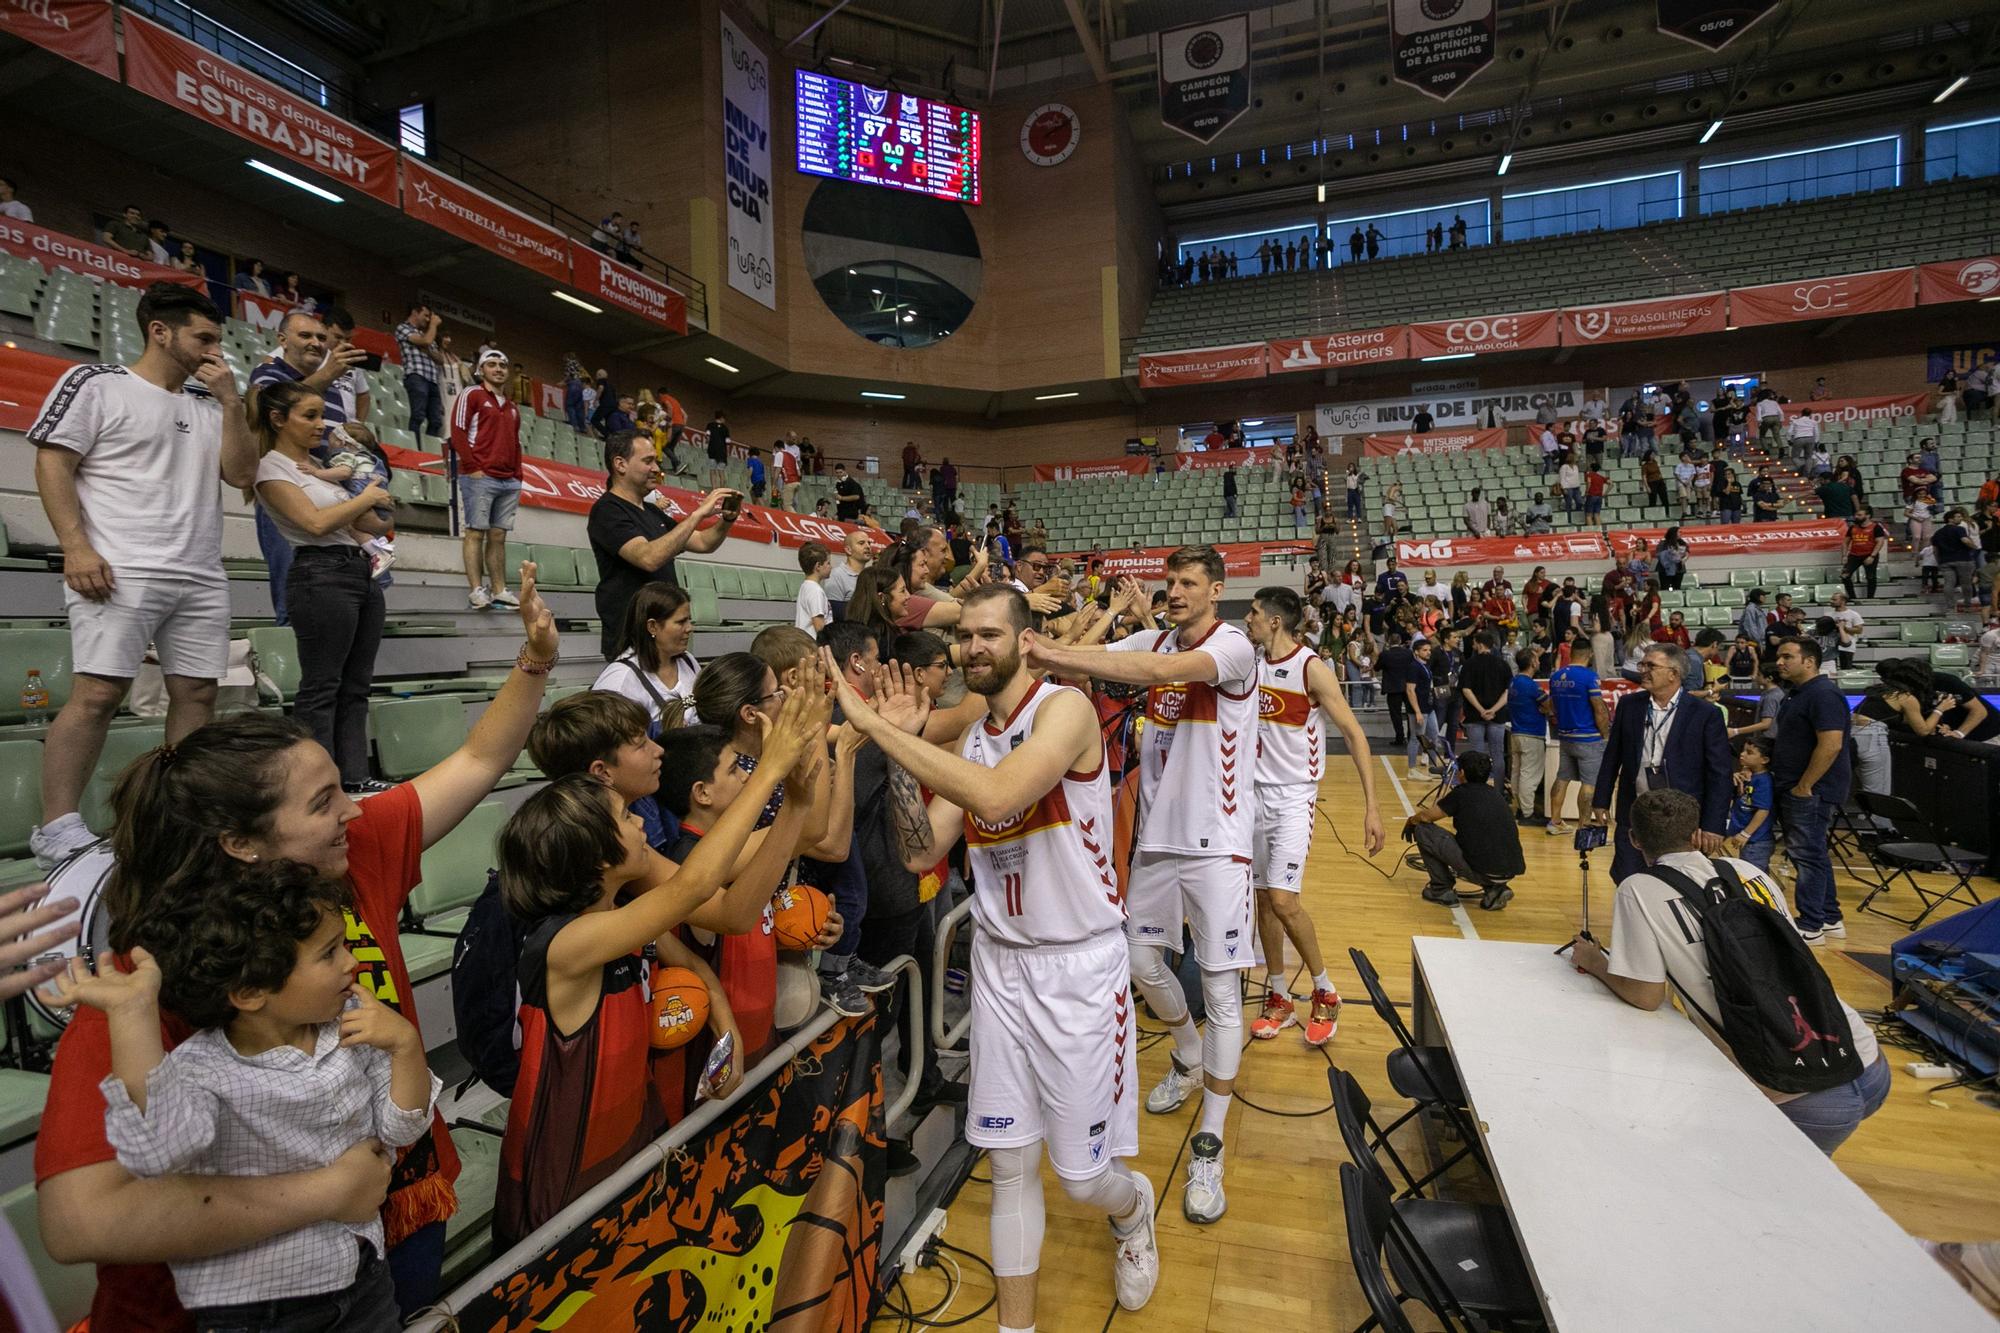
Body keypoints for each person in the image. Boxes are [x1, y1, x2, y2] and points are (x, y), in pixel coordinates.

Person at [33, 579, 560, 1324]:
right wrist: (326, 1191)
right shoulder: (154, 978)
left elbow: (477, 759)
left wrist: (535, 660)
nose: (355, 807)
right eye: (323, 801)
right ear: (241, 844)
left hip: (392, 1225)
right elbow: (78, 1218)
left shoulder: (346, 851)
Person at [827, 586, 1162, 1324]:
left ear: (1024, 639)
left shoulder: (1062, 708)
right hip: (1001, 965)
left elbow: (1001, 790)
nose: (973, 647)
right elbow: (921, 851)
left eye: (988, 634)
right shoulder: (976, 733)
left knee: (1081, 1177)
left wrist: (881, 735)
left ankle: (1133, 1208)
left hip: (1077, 967)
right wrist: (906, 760)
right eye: (964, 637)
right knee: (1008, 1161)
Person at [41, 861, 438, 1332]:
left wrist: (406, 1046)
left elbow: (402, 1126)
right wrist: (133, 1016)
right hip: (260, 1313)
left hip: (361, 1274)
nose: (352, 962)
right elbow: (158, 1150)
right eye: (330, 953)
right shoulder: (203, 1069)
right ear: (250, 992)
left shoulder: (352, 1024)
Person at [490, 717, 806, 1246]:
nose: (641, 824)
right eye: (624, 818)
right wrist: (772, 769)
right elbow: (693, 886)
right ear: (595, 856)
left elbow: (714, 944)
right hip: (562, 1162)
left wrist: (727, 1041)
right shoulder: (566, 944)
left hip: (631, 1133)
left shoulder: (626, 915)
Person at [1022, 547, 1258, 1225]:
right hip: (1156, 839)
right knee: (1140, 962)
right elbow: (1112, 653)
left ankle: (1209, 1144)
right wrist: (1046, 639)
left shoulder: (1234, 646)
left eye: (1188, 583)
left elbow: (1151, 670)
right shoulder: (1150, 634)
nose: (1175, 592)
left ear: (1216, 589)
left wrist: (1062, 656)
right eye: (1170, 582)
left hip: (1219, 846)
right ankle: (1187, 1053)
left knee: (1219, 985)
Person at [27, 283, 253, 870]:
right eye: (203, 337)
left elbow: (243, 473)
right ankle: (55, 826)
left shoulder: (210, 404)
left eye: (217, 340)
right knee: (99, 692)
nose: (214, 351)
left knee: (198, 693)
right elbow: (53, 460)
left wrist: (231, 401)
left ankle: (179, 816)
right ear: (160, 331)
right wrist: (75, 546)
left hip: (199, 569)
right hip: (119, 566)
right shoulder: (98, 383)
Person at [1565, 789, 1888, 1153]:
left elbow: (1646, 994)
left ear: (1633, 839)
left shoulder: (1638, 889)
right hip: (1863, 1054)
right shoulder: (1749, 871)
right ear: (1695, 834)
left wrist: (1594, 961)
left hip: (1793, 1086)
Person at [1242, 587, 1384, 1046]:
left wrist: (1372, 807)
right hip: (1253, 796)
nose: (1248, 620)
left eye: (1254, 614)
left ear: (1276, 622)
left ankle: (1325, 990)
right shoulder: (1251, 664)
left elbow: (1355, 735)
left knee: (1284, 901)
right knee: (1263, 902)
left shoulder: (1311, 669)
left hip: (1293, 797)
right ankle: (1279, 995)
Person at [251, 381, 396, 793]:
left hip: (358, 571)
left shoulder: (328, 467)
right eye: (309, 416)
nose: (320, 425)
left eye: (321, 415)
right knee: (322, 686)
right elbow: (314, 523)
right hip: (319, 574)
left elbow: (377, 523)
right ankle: (318, 786)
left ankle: (354, 777)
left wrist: (374, 498)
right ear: (279, 419)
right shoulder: (271, 468)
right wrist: (366, 497)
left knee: (356, 686)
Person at [586, 432, 741, 660]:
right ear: (620, 464)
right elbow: (648, 558)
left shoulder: (652, 512)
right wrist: (698, 513)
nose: (656, 468)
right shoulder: (607, 510)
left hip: (664, 640)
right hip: (632, 641)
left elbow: (703, 542)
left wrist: (727, 520)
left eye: (656, 461)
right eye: (648, 461)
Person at [1588, 644, 1732, 881]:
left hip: (1681, 817)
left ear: (1673, 673)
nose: (1642, 670)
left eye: (1650, 665)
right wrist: (1601, 799)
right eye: (1643, 664)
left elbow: (1719, 773)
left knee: (1678, 881)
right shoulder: (1629, 705)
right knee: (1627, 875)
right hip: (1635, 809)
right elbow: (1613, 756)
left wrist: (1713, 825)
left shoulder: (1705, 713)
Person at [1770, 636, 1851, 945]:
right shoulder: (1799, 693)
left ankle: (1811, 924)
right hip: (1798, 786)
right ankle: (1830, 918)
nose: (1780, 662)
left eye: (1787, 656)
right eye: (1779, 656)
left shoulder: (1824, 694)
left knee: (1806, 855)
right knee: (1812, 853)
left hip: (1810, 791)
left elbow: (1831, 744)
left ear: (1809, 661)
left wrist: (1806, 785)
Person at [446, 349, 523, 610]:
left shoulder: (512, 408)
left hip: (508, 480)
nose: (499, 368)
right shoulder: (472, 394)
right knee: (476, 533)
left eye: (503, 365)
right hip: (480, 476)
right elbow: (457, 431)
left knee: (498, 536)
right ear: (481, 370)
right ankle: (477, 590)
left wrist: (518, 475)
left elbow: (516, 443)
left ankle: (499, 589)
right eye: (492, 364)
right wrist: (472, 467)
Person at [1402, 750, 1524, 910]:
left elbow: (1427, 817)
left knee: (1423, 830)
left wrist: (1412, 821)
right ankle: (1495, 889)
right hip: (1510, 870)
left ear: (1462, 773)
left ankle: (1441, 888)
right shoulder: (1496, 794)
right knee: (1483, 846)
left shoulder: (1461, 794)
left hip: (1483, 870)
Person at [592, 582, 701, 731]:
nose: (689, 628)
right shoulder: (621, 679)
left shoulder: (688, 661)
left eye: (689, 620)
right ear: (652, 626)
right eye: (681, 622)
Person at [1547, 639, 1611, 836]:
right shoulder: (1589, 677)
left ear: (1571, 652)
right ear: (1589, 654)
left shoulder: (1556, 676)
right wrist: (1606, 735)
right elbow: (1599, 709)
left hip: (1566, 736)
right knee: (1589, 783)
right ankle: (1584, 828)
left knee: (1562, 778)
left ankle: (1555, 821)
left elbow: (1551, 707)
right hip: (1589, 738)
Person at [1458, 630, 1512, 787]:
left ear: (1480, 645)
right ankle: (1499, 790)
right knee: (1497, 754)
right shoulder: (1503, 664)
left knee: (1477, 755)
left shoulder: (1469, 664)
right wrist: (1494, 709)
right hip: (1498, 716)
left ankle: (1477, 789)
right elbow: (1508, 691)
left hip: (1475, 716)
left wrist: (1481, 709)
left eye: (1474, 643)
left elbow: (1466, 689)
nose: (1472, 645)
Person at [392, 302, 444, 448]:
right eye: (426, 315)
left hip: (433, 380)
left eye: (430, 318)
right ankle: (415, 448)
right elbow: (426, 341)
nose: (428, 320)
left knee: (436, 421)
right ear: (415, 312)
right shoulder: (403, 328)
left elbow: (440, 359)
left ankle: (428, 450)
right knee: (418, 415)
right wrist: (434, 325)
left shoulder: (426, 333)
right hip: (416, 376)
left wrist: (428, 351)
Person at [1507, 648, 1550, 822]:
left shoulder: (1514, 682)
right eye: (1537, 659)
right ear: (1532, 663)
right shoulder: (1531, 685)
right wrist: (1544, 709)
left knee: (1517, 773)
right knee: (1530, 775)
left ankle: (1518, 808)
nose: (1539, 661)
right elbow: (1549, 705)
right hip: (1531, 734)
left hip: (1516, 732)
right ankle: (1528, 813)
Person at [1723, 736, 1778, 872]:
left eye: (1749, 752)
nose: (1742, 754)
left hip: (1757, 841)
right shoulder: (1749, 776)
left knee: (1753, 875)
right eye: (1743, 750)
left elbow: (1763, 810)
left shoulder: (1764, 781)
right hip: (1749, 838)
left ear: (1764, 760)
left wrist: (1745, 834)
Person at [1841, 509, 1889, 599]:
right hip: (1854, 555)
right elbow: (1845, 542)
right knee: (1845, 576)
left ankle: (1870, 598)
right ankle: (1852, 598)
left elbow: (1880, 542)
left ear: (1868, 516)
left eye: (1859, 515)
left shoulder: (1876, 527)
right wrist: (1844, 555)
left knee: (1871, 577)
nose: (1856, 517)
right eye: (1856, 515)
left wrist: (1872, 556)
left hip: (1869, 554)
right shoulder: (1852, 528)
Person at [795, 541, 832, 633]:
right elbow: (819, 625)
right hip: (814, 644)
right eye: (828, 563)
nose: (831, 566)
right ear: (818, 566)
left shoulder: (806, 586)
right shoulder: (815, 591)